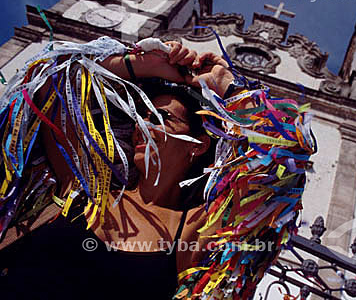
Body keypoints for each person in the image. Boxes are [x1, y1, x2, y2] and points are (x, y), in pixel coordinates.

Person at [0, 36, 317, 299]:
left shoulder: (194, 228)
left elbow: (282, 167)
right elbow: (44, 83)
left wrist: (227, 85)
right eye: (144, 116)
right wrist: (140, 65)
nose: (144, 126)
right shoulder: (90, 187)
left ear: (198, 146)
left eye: (163, 119)